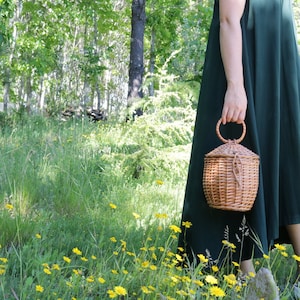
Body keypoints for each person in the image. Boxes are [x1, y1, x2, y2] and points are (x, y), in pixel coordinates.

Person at [178, 0, 300, 278]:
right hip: (247, 65)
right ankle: (244, 274)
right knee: (238, 162)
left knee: (286, 160)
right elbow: (230, 20)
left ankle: (247, 275)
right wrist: (235, 86)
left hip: (273, 62)